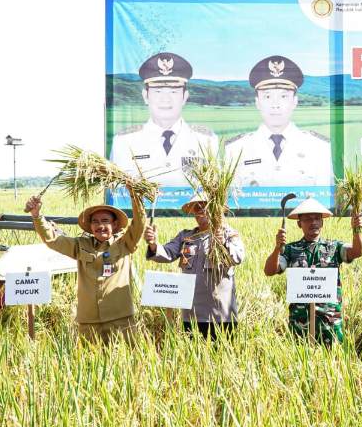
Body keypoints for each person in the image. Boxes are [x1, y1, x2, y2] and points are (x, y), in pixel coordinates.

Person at [25, 185, 145, 343]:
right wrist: (37, 216)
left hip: (120, 319)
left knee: (124, 364)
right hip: (88, 322)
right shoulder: (81, 245)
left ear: (115, 225)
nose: (100, 225)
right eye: (95, 222)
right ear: (90, 226)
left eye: (105, 221)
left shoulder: (125, 243)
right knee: (89, 364)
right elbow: (52, 239)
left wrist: (135, 196)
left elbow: (139, 223)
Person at [143, 194, 245, 339]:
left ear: (216, 209)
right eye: (197, 207)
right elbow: (167, 253)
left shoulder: (228, 234)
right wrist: (153, 244)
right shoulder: (186, 236)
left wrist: (222, 243)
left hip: (220, 314)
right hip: (191, 314)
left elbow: (238, 258)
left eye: (206, 206)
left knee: (222, 357)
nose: (201, 210)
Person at [264, 198, 362, 345]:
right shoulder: (290, 250)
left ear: (322, 222)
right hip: (300, 322)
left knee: (332, 365)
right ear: (299, 224)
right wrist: (278, 247)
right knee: (300, 364)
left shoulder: (334, 247)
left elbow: (356, 252)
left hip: (329, 322)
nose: (313, 222)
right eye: (308, 219)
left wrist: (357, 230)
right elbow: (270, 270)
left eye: (317, 218)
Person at [110, 52, 217, 185]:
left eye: (173, 91)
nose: (165, 99)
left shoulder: (207, 141)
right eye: (158, 91)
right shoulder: (124, 142)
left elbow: (215, 193)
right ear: (145, 96)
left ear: (185, 97)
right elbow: (115, 193)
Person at [225, 55, 333, 188]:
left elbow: (325, 201)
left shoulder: (320, 148)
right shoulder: (235, 149)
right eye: (267, 96)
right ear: (257, 102)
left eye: (283, 96)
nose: (275, 104)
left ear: (294, 101)